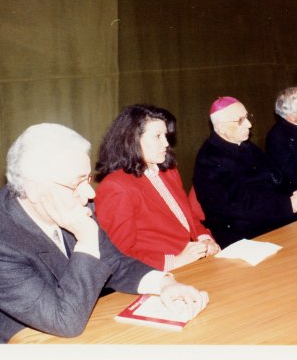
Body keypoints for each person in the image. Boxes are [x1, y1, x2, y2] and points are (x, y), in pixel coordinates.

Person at [0, 123, 208, 344]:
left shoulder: (70, 204)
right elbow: (65, 321)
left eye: (88, 179)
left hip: (61, 324)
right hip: (3, 344)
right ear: (33, 189)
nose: (90, 194)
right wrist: (86, 240)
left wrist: (165, 284)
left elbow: (115, 263)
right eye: (77, 183)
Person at [94, 105, 220, 273]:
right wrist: (174, 261)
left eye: (166, 136)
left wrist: (204, 239)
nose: (166, 143)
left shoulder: (168, 170)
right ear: (133, 140)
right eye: (158, 136)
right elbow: (117, 254)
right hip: (158, 274)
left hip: (193, 263)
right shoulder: (116, 187)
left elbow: (187, 218)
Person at [192, 96, 297, 248]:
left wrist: (291, 193)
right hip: (243, 234)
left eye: (247, 117)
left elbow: (274, 175)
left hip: (270, 218)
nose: (249, 124)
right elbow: (237, 206)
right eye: (240, 120)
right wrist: (287, 205)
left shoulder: (245, 144)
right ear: (221, 128)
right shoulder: (208, 160)